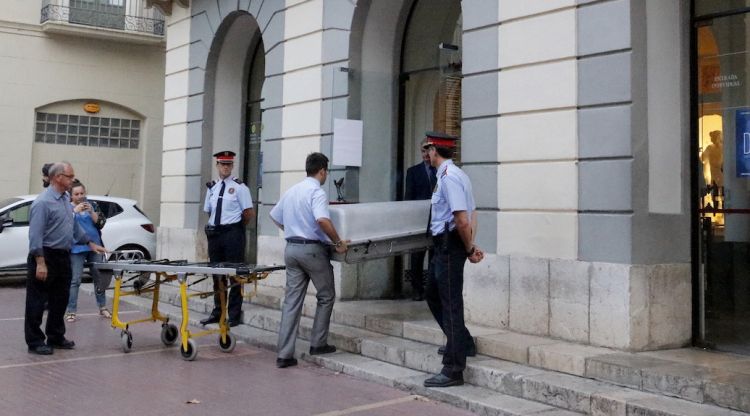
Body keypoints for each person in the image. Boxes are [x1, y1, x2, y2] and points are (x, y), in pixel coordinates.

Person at [269, 152, 349, 368]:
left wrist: (293, 229)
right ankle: (318, 343)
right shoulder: (317, 192)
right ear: (322, 171)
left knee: (292, 301)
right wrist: (337, 241)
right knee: (326, 295)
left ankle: (284, 354)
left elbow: (274, 216)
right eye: (326, 171)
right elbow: (322, 219)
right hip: (312, 250)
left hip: (292, 248)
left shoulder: (293, 190)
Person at [422, 133, 484, 387]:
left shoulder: (449, 178)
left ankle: (453, 368)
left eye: (427, 148)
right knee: (433, 294)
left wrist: (469, 247)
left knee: (450, 303)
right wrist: (469, 244)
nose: (425, 153)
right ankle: (462, 342)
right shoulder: (451, 175)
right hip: (445, 245)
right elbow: (472, 212)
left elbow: (463, 218)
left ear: (436, 150)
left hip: (450, 245)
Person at [25, 162, 106, 355]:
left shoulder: (65, 199)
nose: (72, 180)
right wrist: (40, 262)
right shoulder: (43, 202)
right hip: (45, 255)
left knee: (60, 299)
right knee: (37, 301)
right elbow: (35, 236)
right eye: (69, 176)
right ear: (57, 178)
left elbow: (72, 225)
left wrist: (90, 242)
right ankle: (35, 341)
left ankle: (55, 336)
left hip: (63, 255)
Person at [200, 151, 255, 327]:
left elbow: (248, 213)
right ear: (217, 166)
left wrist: (236, 227)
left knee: (235, 275)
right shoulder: (212, 188)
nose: (225, 167)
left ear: (232, 166)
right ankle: (218, 311)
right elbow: (210, 211)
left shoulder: (240, 187)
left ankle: (233, 314)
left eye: (228, 164)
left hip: (233, 234)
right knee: (217, 274)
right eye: (222, 164)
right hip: (215, 235)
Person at [65, 180, 110, 323]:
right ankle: (71, 311)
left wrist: (91, 211)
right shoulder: (67, 207)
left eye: (82, 193)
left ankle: (102, 306)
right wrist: (74, 211)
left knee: (98, 276)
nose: (79, 196)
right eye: (76, 194)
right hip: (76, 247)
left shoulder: (93, 205)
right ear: (71, 196)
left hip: (95, 246)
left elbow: (101, 224)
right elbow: (64, 223)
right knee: (75, 279)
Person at [404, 138, 437, 301]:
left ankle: (432, 289)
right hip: (418, 221)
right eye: (423, 150)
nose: (425, 154)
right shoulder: (413, 172)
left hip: (437, 221)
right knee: (417, 256)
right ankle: (417, 289)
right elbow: (408, 198)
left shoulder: (441, 171)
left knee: (434, 256)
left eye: (428, 150)